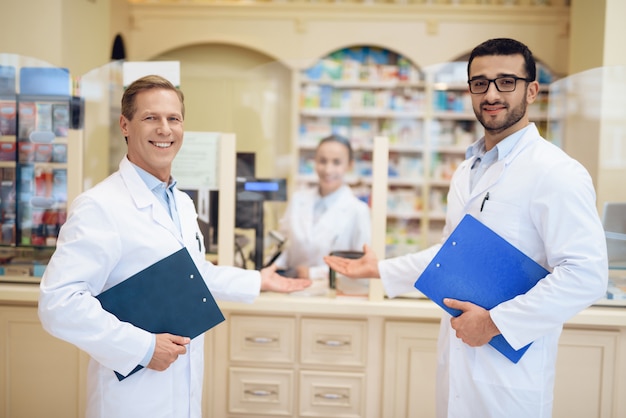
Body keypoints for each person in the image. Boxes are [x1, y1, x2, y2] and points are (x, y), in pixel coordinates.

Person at [325, 38, 608, 417]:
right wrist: (379, 269)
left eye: (506, 81)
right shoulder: (467, 169)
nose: (491, 93)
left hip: (510, 379)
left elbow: (586, 274)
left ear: (532, 90)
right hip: (458, 364)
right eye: (480, 83)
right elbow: (449, 256)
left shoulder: (557, 172)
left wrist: (494, 323)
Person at [38, 75, 311, 418]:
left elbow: (192, 276)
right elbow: (58, 303)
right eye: (150, 118)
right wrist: (144, 347)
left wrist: (258, 280)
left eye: (174, 119)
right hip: (131, 400)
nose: (164, 129)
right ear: (125, 125)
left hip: (183, 390)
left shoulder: (181, 202)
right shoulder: (100, 205)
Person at [273, 134, 371, 295]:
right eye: (322, 161)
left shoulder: (357, 210)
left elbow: (361, 265)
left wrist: (312, 273)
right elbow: (285, 247)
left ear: (350, 165)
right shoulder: (298, 200)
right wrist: (272, 268)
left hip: (332, 294)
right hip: (290, 290)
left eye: (336, 162)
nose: (328, 169)